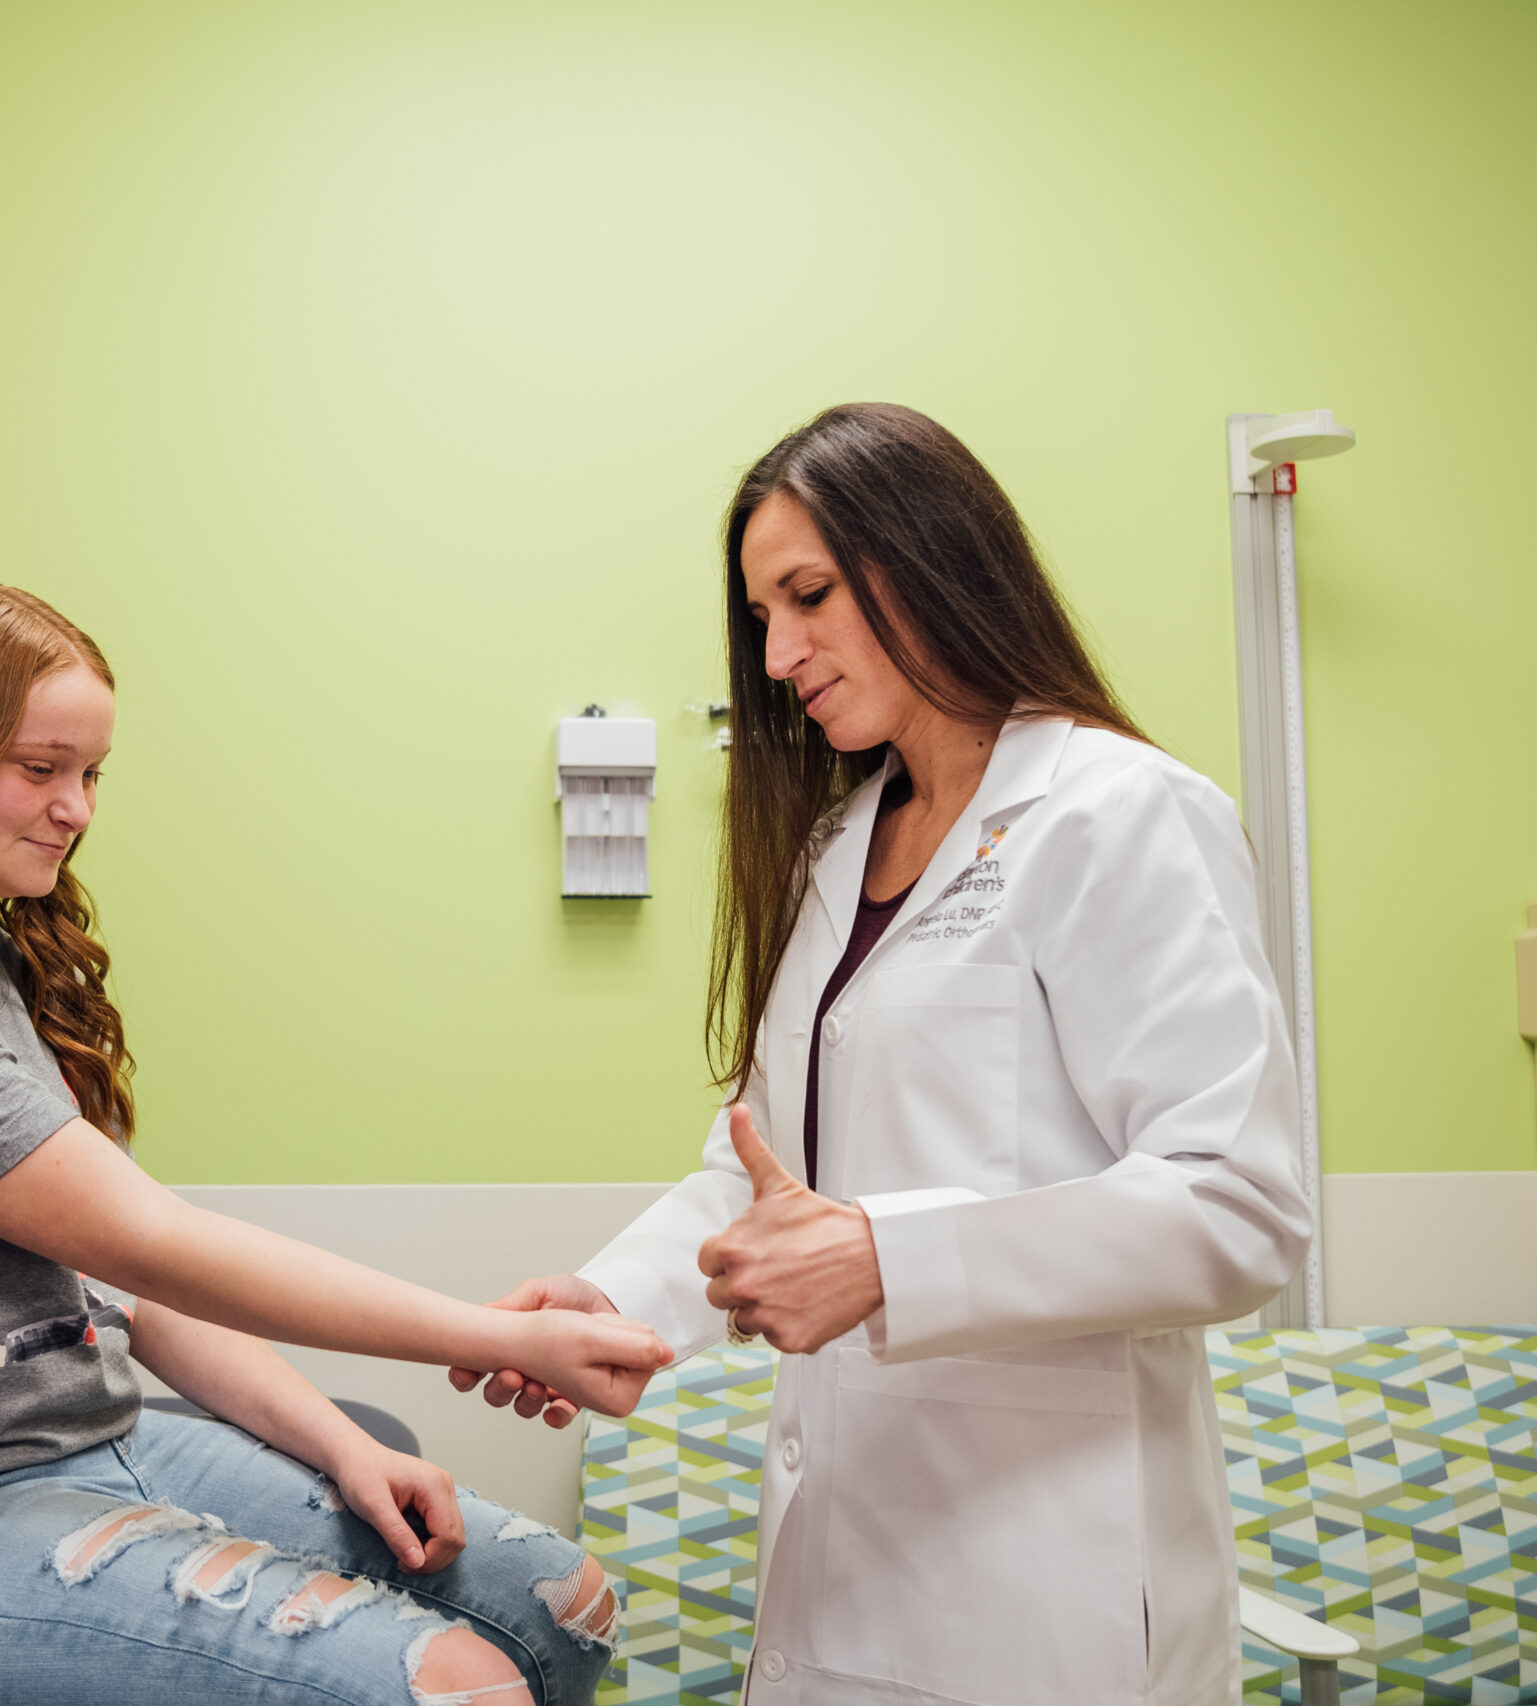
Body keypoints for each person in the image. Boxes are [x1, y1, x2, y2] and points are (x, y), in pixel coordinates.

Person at [0, 576, 669, 1706]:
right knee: (459, 1689)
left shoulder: (3, 980)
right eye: (39, 768)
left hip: (82, 1446)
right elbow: (155, 1243)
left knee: (562, 1607)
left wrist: (341, 1441)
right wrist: (492, 1337)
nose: (75, 806)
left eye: (90, 773)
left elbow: (131, 1295)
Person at [453, 404, 1314, 1706]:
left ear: (933, 559)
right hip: (849, 1561)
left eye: (810, 594)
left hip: (1050, 1586)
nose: (781, 650)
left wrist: (887, 1258)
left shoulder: (1118, 811)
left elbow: (1238, 1204)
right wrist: (615, 1304)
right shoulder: (836, 848)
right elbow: (765, 1176)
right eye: (761, 616)